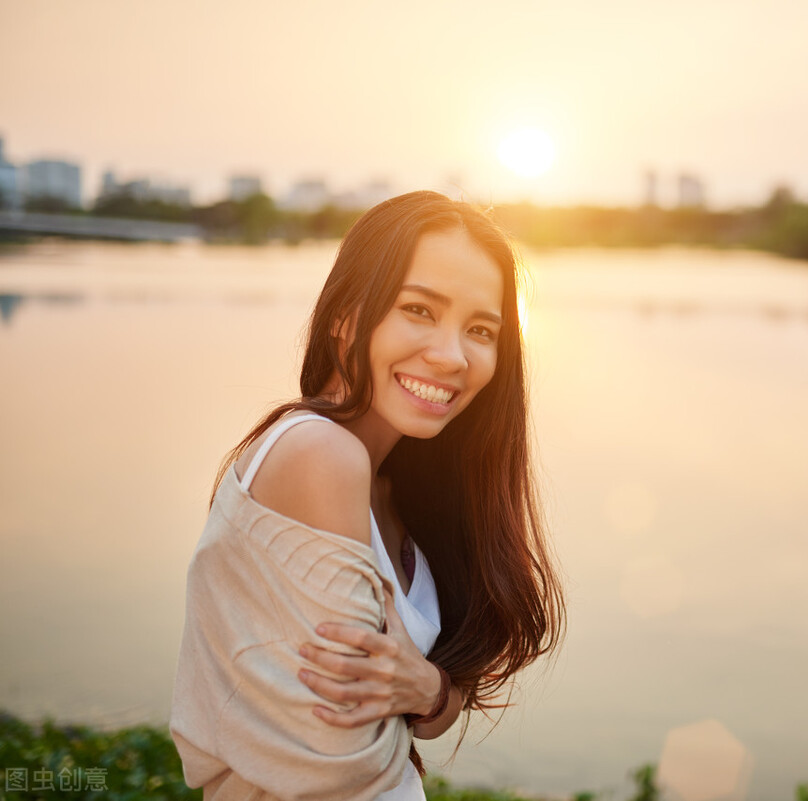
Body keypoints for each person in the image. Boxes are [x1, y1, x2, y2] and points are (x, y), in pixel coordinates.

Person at [170, 191, 565, 800]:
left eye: (480, 329)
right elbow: (347, 750)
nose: (451, 356)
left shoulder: (399, 486)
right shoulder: (319, 455)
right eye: (419, 309)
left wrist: (428, 687)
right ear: (346, 312)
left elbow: (427, 709)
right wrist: (425, 701)